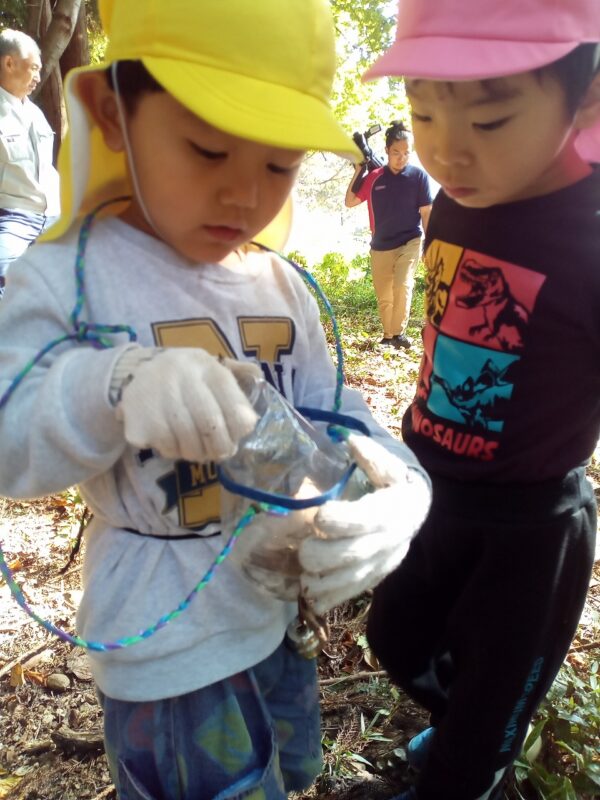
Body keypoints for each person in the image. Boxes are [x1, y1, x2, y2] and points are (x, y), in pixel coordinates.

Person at [0, 1, 432, 798]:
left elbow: (334, 411)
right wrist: (116, 383)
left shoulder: (277, 283)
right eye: (207, 149)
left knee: (295, 771)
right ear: (112, 113)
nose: (243, 196)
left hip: (275, 613)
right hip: (168, 650)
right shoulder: (72, 276)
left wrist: (401, 490)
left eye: (279, 167)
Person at [361, 1, 600, 798]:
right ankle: (477, 719)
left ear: (586, 100)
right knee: (393, 636)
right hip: (431, 487)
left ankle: (476, 751)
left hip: (529, 529)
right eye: (421, 112)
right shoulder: (460, 197)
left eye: (491, 120)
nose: (446, 149)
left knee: (473, 747)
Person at [345, 121, 432, 350]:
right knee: (385, 297)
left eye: (406, 153)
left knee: (403, 285)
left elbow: (426, 212)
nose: (401, 157)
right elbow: (350, 201)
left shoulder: (419, 177)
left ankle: (399, 334)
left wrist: (429, 243)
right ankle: (389, 336)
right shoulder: (375, 177)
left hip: (410, 240)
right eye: (396, 152)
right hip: (381, 245)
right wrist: (358, 170)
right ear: (386, 151)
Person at [0, 28, 59, 297]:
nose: (37, 77)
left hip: (56, 215)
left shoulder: (34, 112)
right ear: (9, 62)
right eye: (33, 68)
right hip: (15, 216)